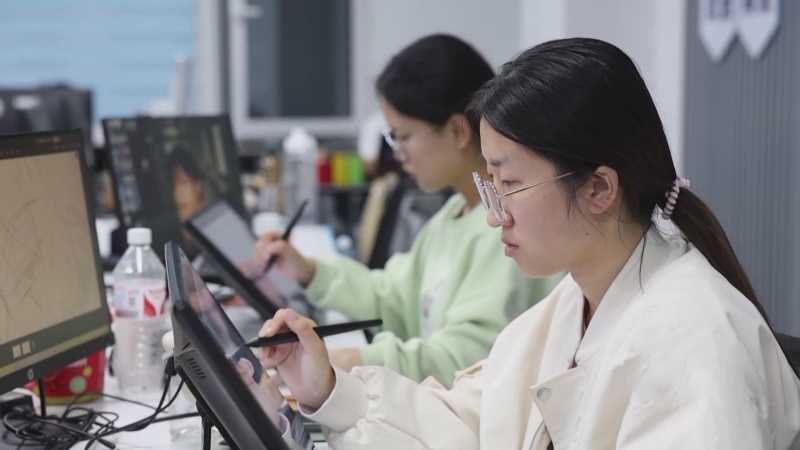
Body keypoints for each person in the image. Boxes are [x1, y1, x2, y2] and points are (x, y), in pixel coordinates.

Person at [255, 38, 800, 449]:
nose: (495, 216)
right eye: (490, 184)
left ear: (598, 188)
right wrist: (329, 390)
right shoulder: (573, 301)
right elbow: (473, 422)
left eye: (510, 183)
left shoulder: (694, 343)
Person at [256, 34, 560, 387]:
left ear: (457, 130)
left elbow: (466, 359)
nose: (398, 152)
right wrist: (309, 271)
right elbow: (394, 297)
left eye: (402, 136)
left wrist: (345, 361)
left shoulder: (503, 230)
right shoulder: (454, 213)